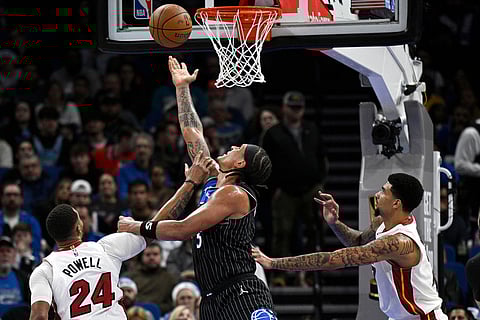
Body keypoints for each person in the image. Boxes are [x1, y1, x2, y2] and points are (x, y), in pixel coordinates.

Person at [118, 56, 277, 320]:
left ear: (240, 163)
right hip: (213, 296)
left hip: (241, 292)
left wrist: (137, 226)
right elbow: (193, 132)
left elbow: (183, 229)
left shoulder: (236, 194)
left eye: (239, 149)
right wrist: (182, 88)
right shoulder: (215, 179)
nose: (233, 147)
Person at [252, 173, 448, 320]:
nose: (377, 195)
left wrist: (273, 263)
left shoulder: (399, 242)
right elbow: (358, 242)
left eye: (383, 191)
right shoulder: (381, 222)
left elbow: (334, 260)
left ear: (396, 203)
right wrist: (334, 223)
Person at [28, 204, 147, 319]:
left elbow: (39, 316)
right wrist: (135, 225)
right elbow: (147, 235)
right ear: (78, 227)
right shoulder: (105, 248)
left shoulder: (45, 270)